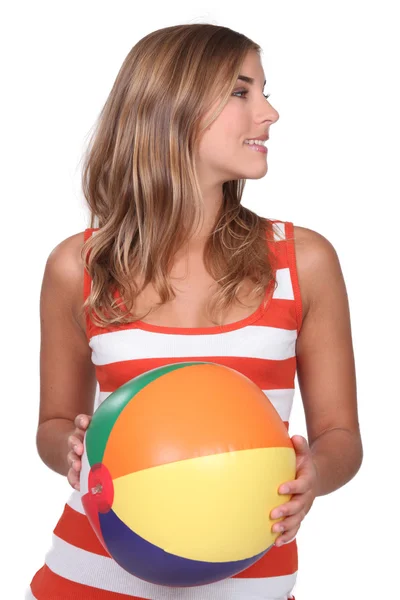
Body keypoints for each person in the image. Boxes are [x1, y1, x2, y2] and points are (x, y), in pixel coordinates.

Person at [27, 23, 363, 600]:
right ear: (170, 106)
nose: (270, 112)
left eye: (264, 89)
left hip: (250, 578)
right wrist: (71, 446)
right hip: (93, 575)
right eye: (242, 91)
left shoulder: (302, 261)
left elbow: (340, 437)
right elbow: (53, 424)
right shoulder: (78, 265)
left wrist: (314, 476)